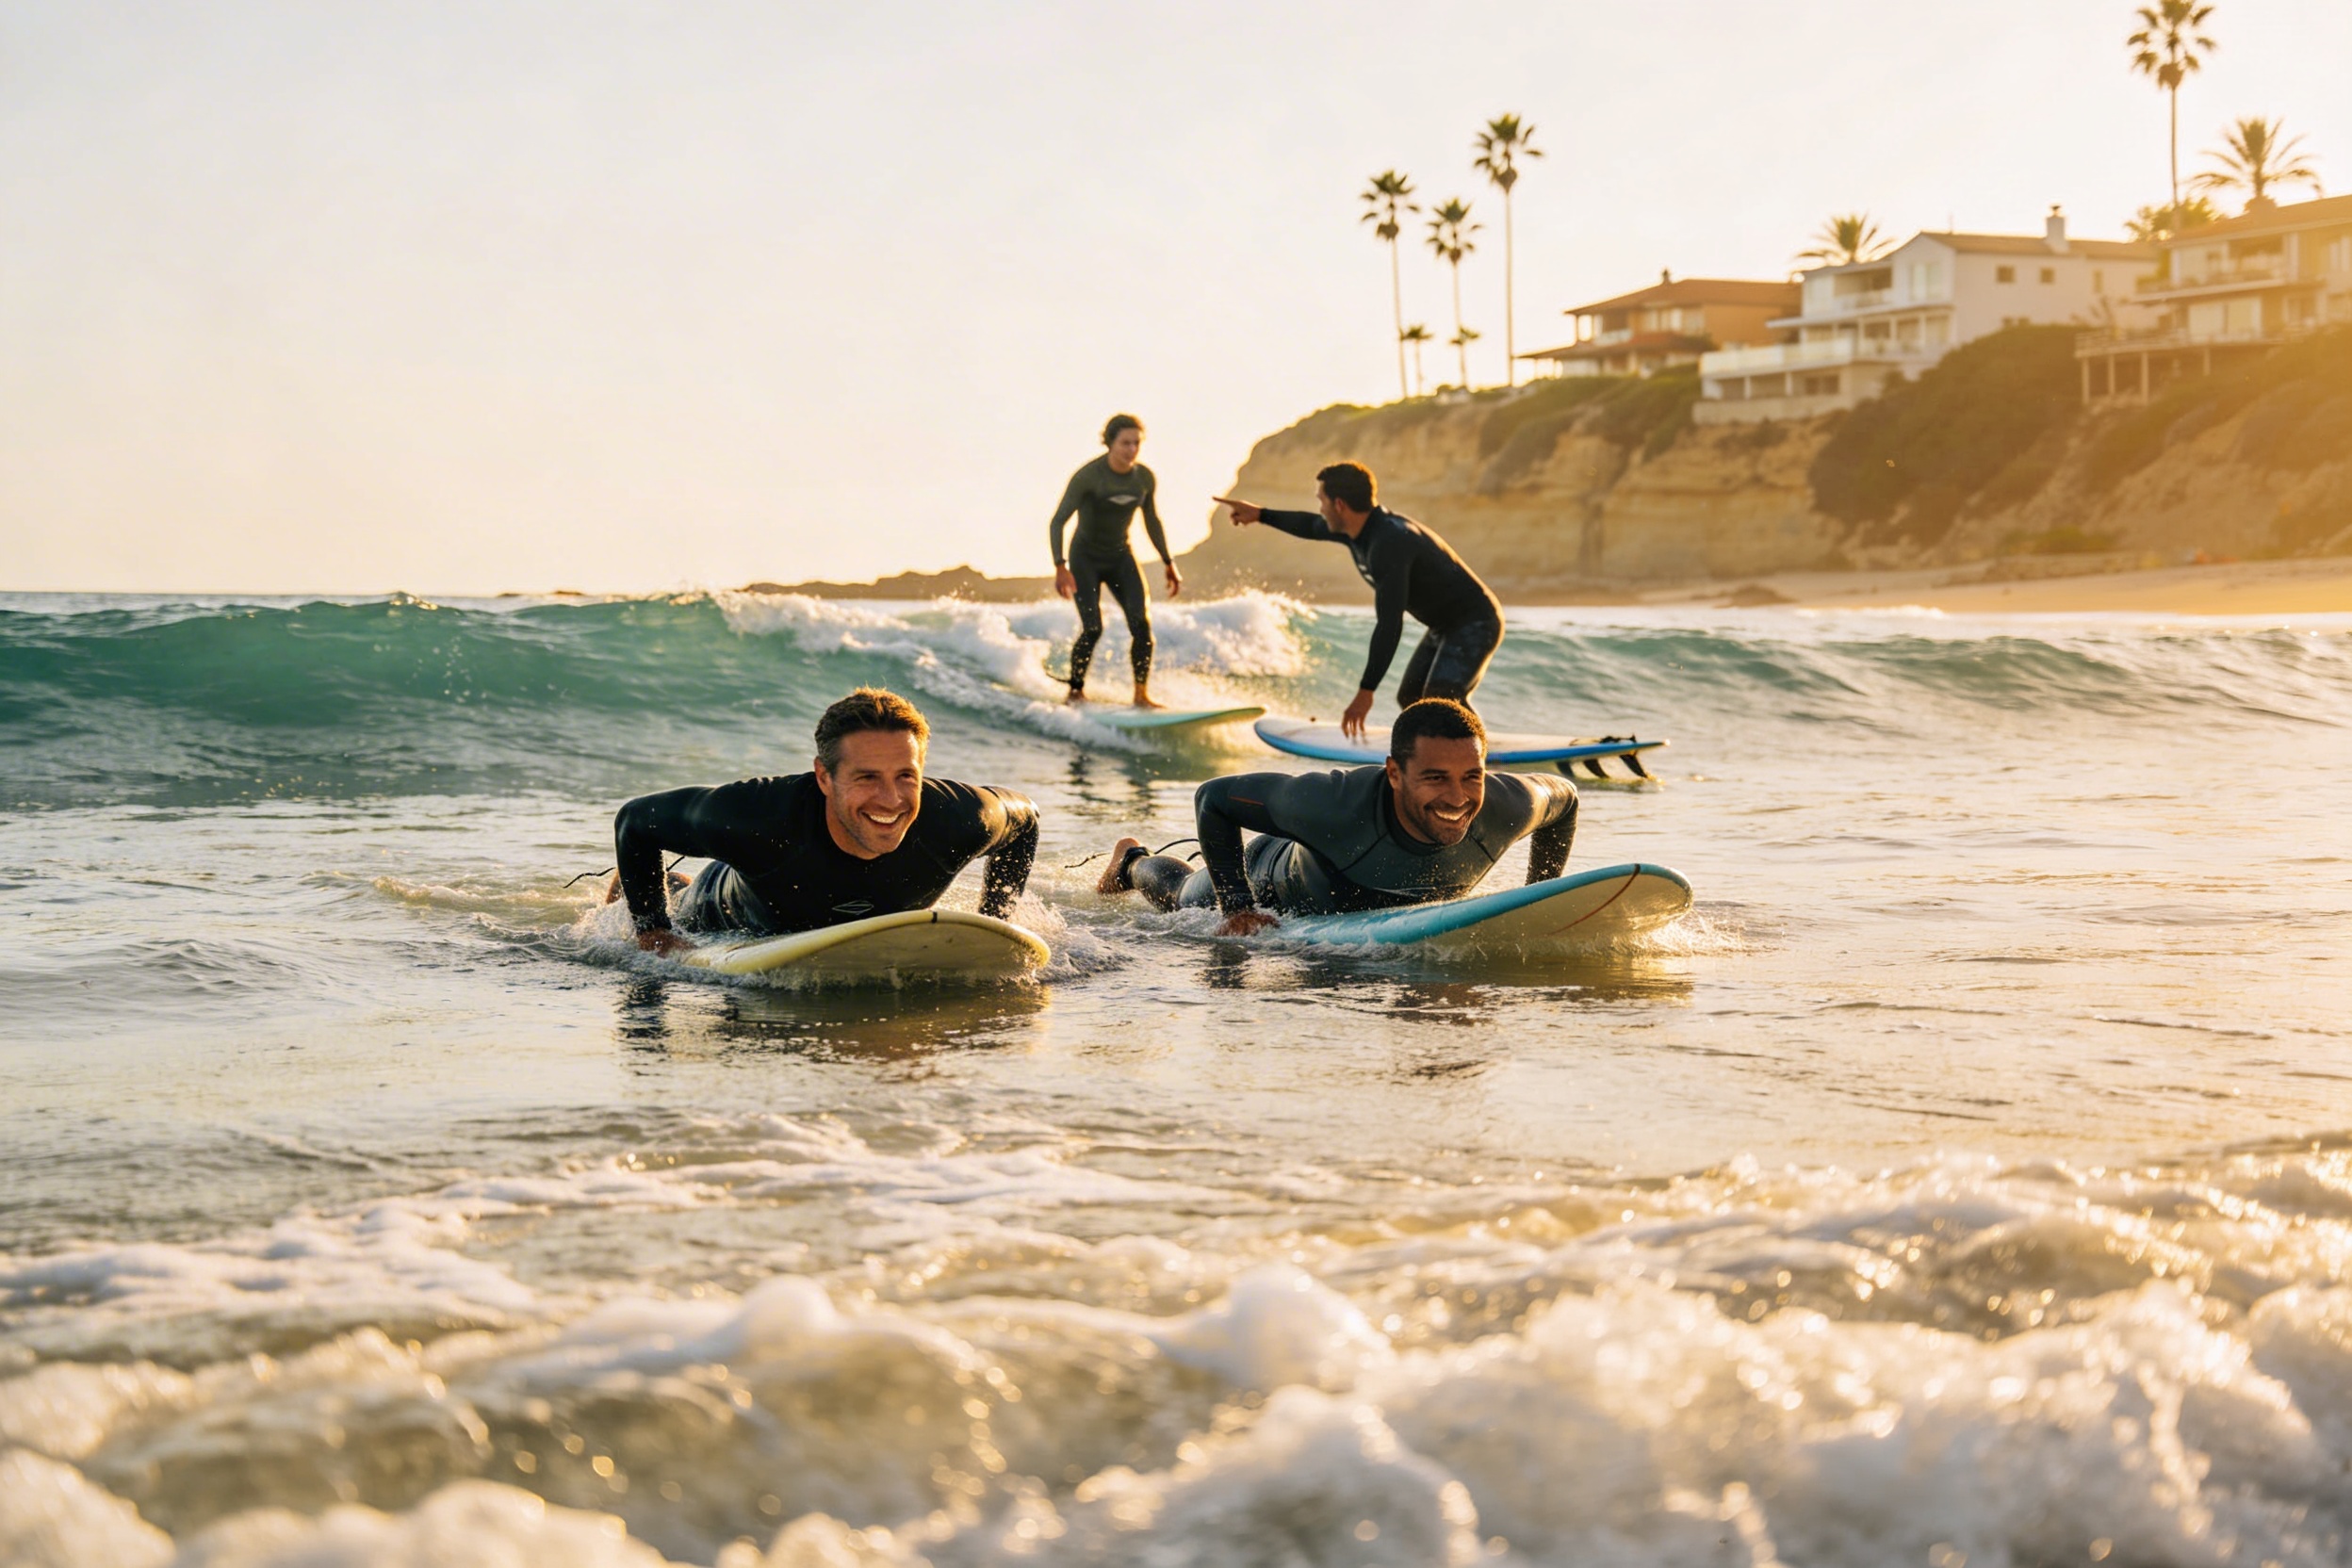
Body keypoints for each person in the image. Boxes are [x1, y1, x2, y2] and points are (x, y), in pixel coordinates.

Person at [606, 688, 1038, 955]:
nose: (891, 799)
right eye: (867, 777)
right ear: (823, 777)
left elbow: (1027, 821)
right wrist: (653, 931)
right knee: (678, 900)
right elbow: (636, 822)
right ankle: (666, 884)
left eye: (906, 776)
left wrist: (996, 921)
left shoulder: (958, 818)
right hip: (725, 909)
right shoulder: (759, 817)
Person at [1094, 698, 1575, 937]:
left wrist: (1538, 897)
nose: (1458, 797)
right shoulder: (1332, 802)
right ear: (1394, 773)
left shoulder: (1508, 804)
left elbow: (1566, 800)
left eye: (1472, 775)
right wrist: (1237, 907)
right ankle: (1131, 860)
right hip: (1272, 879)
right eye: (1435, 778)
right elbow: (1213, 798)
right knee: (1182, 895)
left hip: (1360, 903)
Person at [1216, 462, 1501, 739]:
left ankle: (1474, 758)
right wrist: (1261, 514)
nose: (1321, 509)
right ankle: (1449, 752)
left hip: (1475, 620)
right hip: (1444, 625)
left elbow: (1389, 623)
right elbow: (1310, 525)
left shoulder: (1390, 541)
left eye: (1322, 501)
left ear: (1339, 505)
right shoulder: (1360, 530)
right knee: (1413, 698)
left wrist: (1366, 691)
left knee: (1441, 697)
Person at [1050, 414, 1183, 706]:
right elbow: (1058, 521)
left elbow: (1152, 520)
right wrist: (1061, 566)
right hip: (1085, 558)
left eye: (1137, 443)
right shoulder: (1088, 476)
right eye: (1125, 443)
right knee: (1093, 627)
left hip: (1121, 556)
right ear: (1110, 443)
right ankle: (1075, 691)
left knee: (1142, 625)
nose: (1132, 449)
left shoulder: (1144, 478)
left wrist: (1168, 562)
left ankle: (1140, 695)